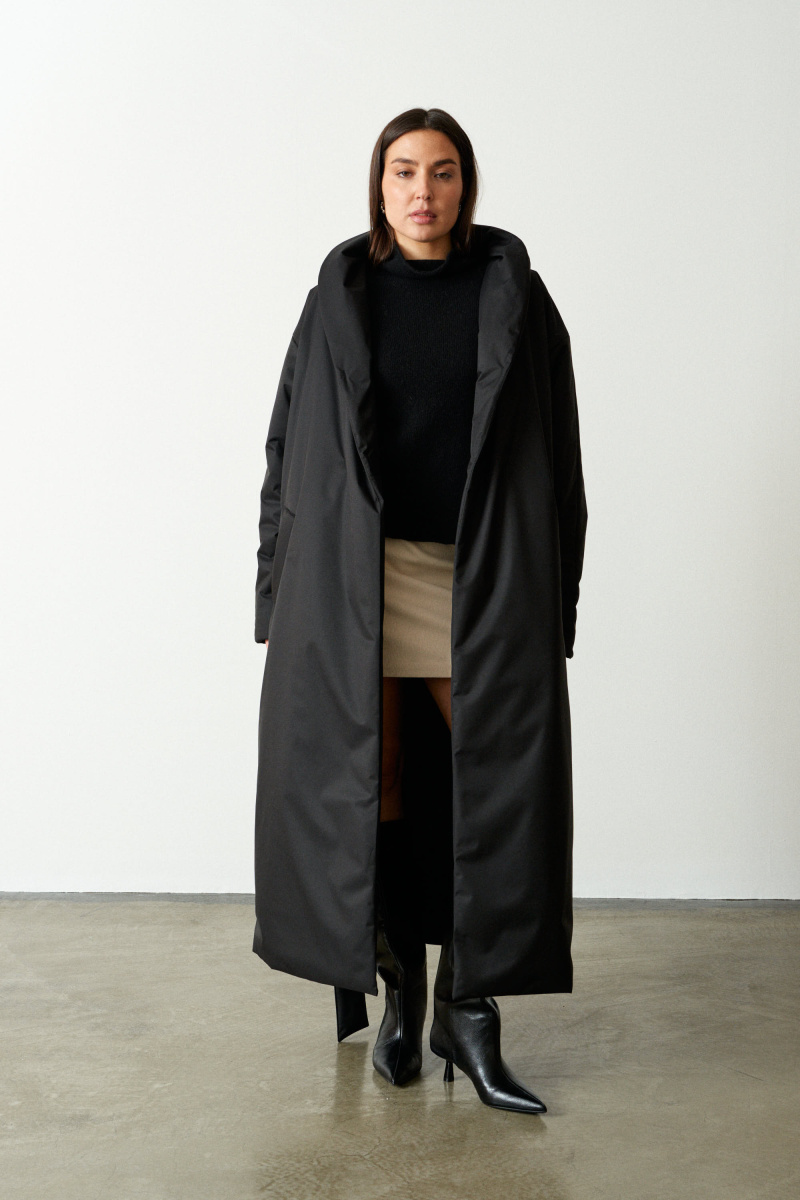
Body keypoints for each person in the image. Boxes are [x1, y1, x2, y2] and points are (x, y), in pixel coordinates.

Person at [254, 107, 588, 1115]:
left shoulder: (516, 298)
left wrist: (557, 601)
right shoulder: (337, 298)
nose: (422, 192)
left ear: (464, 186)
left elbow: (561, 461)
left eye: (441, 172)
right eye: (403, 171)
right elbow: (286, 447)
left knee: (494, 783)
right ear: (379, 184)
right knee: (381, 781)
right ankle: (403, 992)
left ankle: (469, 1012)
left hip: (476, 576)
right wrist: (274, 591)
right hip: (356, 581)